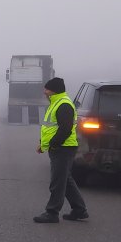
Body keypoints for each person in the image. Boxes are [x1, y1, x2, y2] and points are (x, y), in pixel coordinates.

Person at [34, 77, 89, 223]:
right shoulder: (56, 103)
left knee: (57, 181)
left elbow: (65, 129)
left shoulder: (63, 104)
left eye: (46, 89)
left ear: (53, 90)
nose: (44, 92)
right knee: (65, 179)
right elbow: (51, 128)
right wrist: (43, 144)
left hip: (63, 148)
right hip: (61, 147)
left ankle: (52, 212)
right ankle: (79, 210)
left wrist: (53, 144)